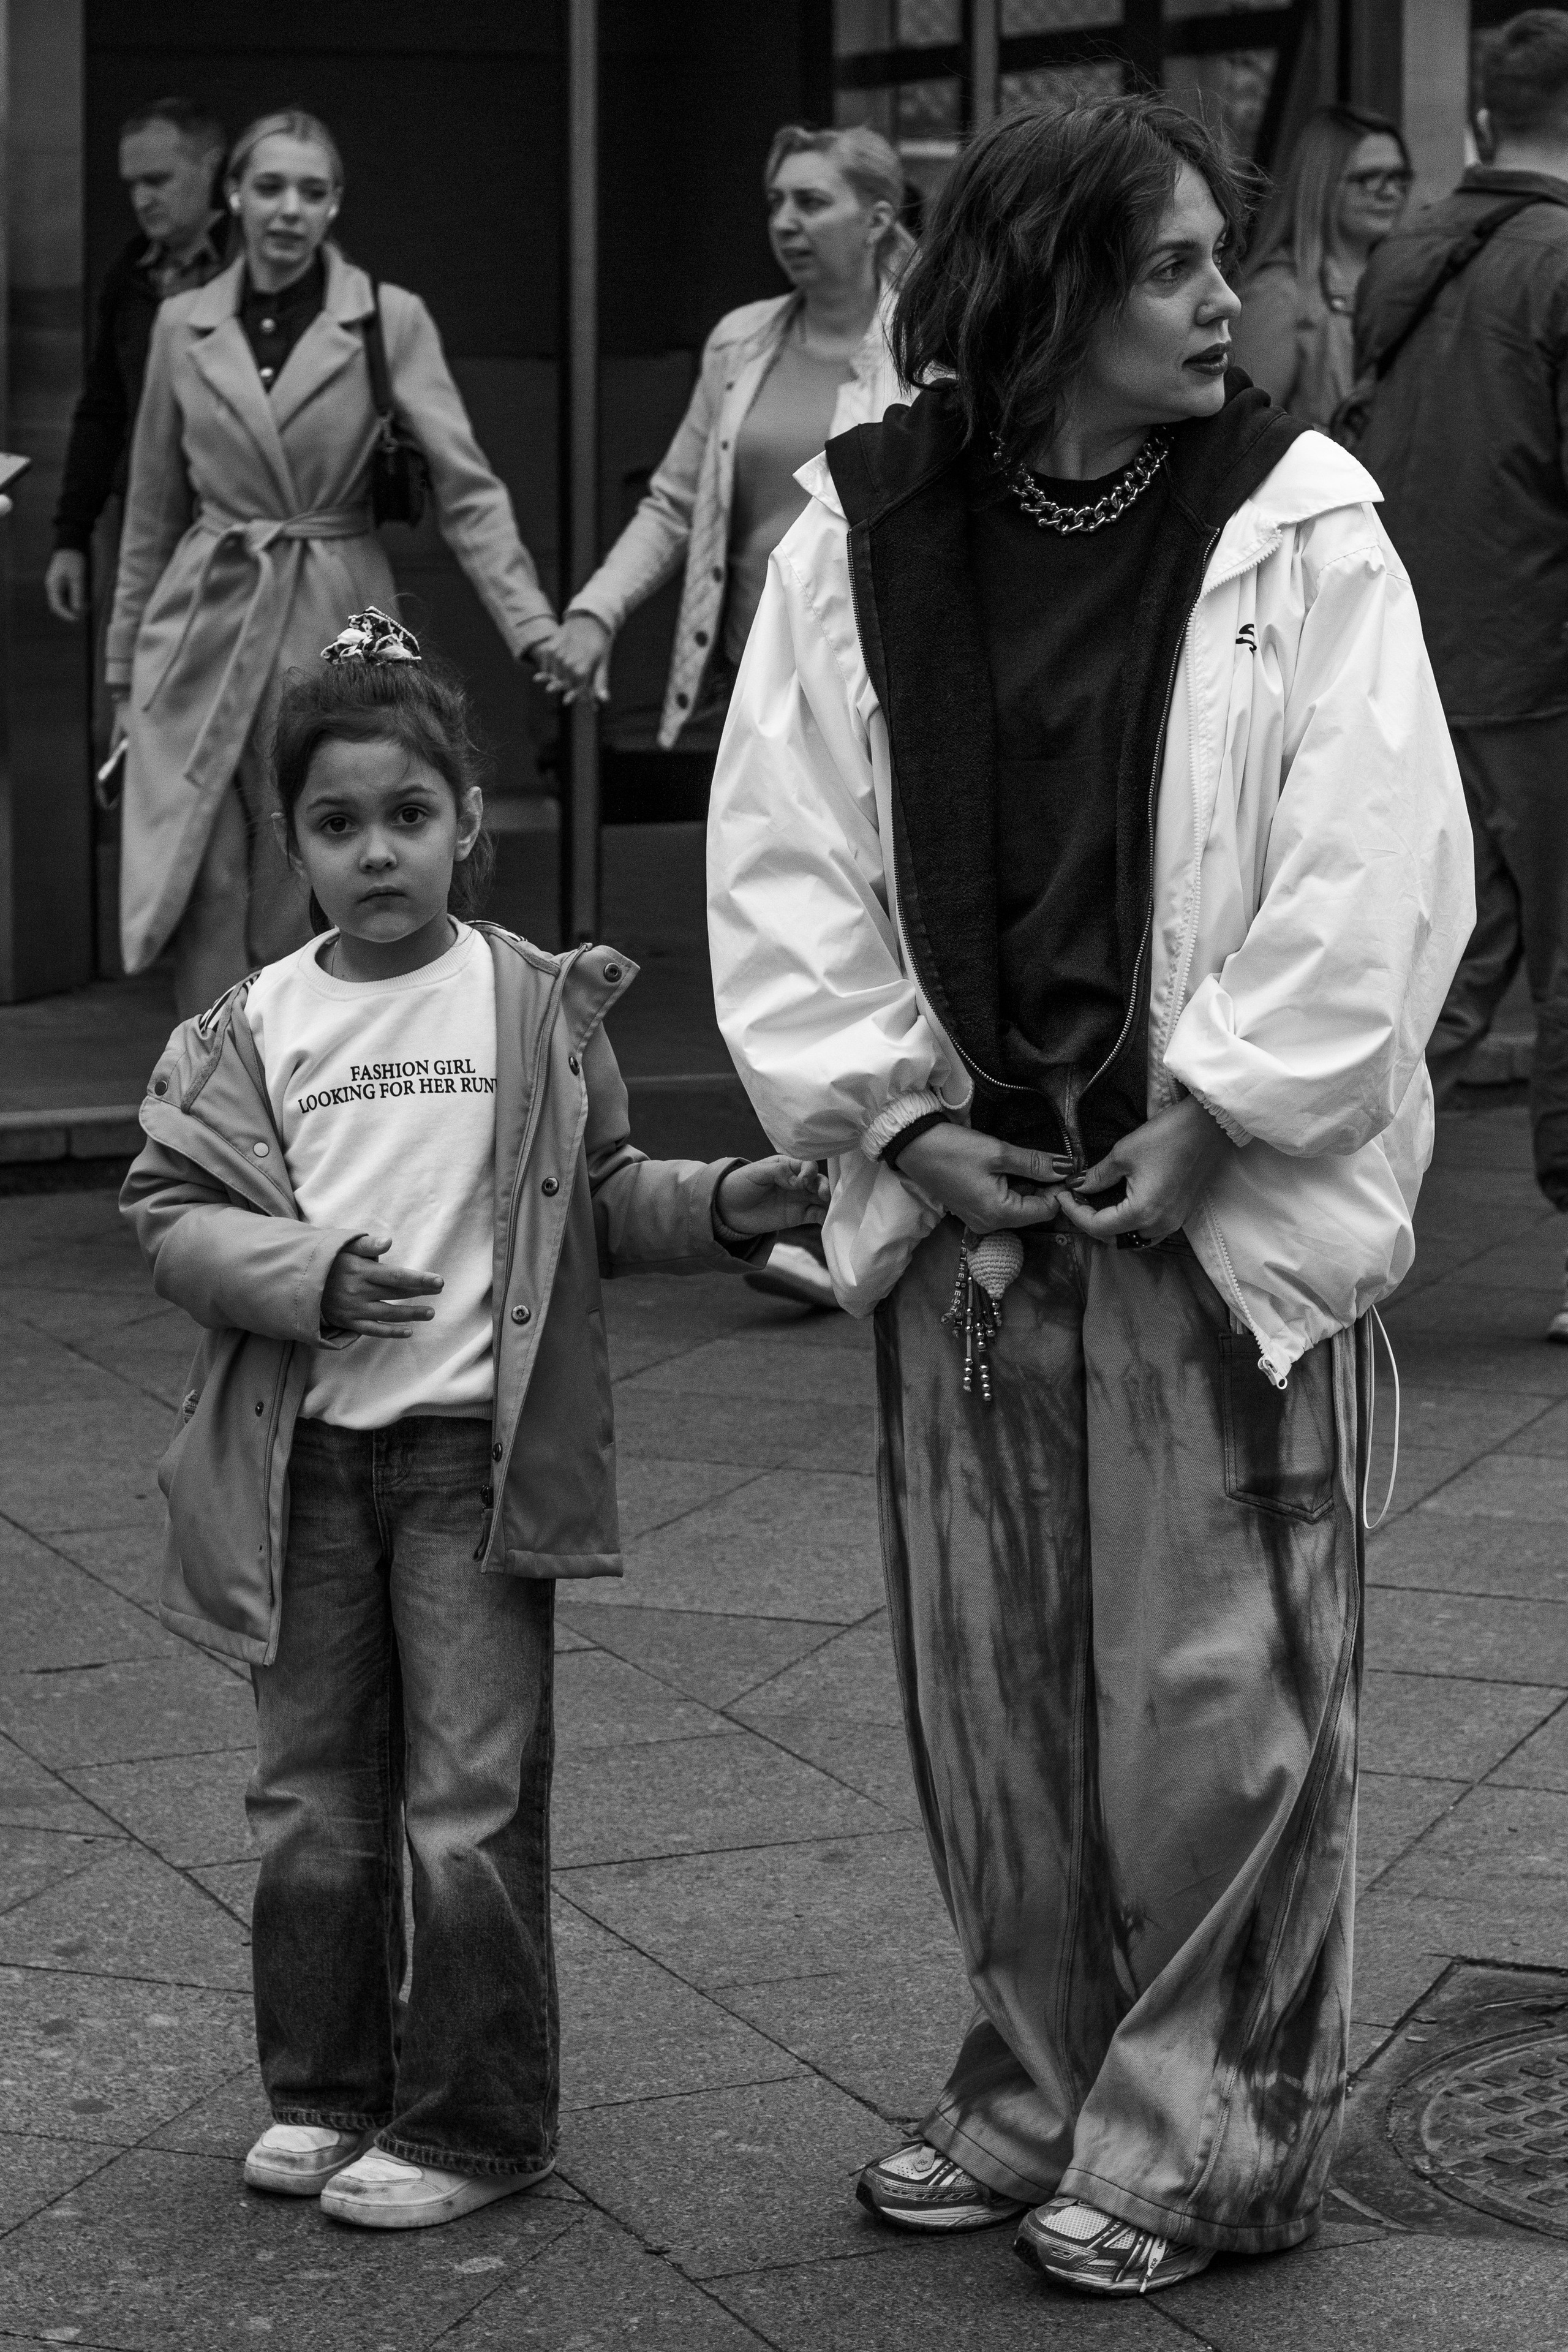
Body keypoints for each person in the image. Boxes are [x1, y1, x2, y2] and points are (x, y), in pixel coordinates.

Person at [709, 96, 1471, 2296]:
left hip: (1206, 1210)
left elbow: (1371, 849)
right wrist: (885, 1117)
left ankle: (1205, 2128)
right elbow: (783, 856)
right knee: (998, 1695)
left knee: (1225, 1697)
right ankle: (1038, 2083)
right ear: (1041, 292)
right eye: (1168, 266)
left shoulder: (1292, 512)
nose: (1224, 299)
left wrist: (1224, 1108)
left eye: (1215, 257)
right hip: (979, 1197)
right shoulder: (864, 526)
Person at [119, 615, 826, 2231]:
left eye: (410, 818)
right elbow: (167, 1215)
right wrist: (299, 1275)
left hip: (468, 1463)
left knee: (469, 1792)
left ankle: (473, 2122)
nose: (379, 853)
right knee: (310, 1789)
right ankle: (325, 2090)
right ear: (289, 840)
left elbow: (609, 1202)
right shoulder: (249, 1028)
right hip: (301, 1462)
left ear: (469, 820)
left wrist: (730, 1204)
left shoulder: (531, 1005)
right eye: (338, 825)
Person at [537, 123, 911, 1311]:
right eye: (774, 204)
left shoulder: (929, 340)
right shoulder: (741, 343)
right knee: (797, 937)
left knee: (891, 934)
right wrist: (595, 616)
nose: (787, 224)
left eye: (811, 202)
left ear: (879, 218)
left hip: (891, 680)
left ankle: (888, 1186)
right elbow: (673, 498)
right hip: (766, 681)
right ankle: (808, 1197)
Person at [106, 108, 557, 1021]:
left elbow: (467, 488)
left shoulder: (386, 319)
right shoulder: (178, 326)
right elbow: (150, 513)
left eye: (313, 191)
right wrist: (122, 674)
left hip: (334, 609)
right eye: (270, 187)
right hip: (202, 617)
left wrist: (532, 622)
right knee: (202, 877)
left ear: (336, 204)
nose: (289, 209)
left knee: (301, 878)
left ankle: (307, 1107)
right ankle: (210, 1120)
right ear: (235, 193)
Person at [1355, 9, 1568, 1341]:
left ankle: (1293, 1208)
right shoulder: (1556, 260)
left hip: (1425, 659)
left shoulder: (1409, 251)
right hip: (1542, 664)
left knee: (1439, 965)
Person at [45, 98, 232, 630]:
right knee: (137, 673)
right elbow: (102, 410)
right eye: (133, 185)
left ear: (210, 165)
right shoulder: (131, 276)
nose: (144, 199)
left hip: (234, 510)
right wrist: (71, 536)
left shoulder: (253, 267)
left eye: (158, 179)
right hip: (144, 514)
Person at [1232, 104, 1411, 428]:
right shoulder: (1279, 293)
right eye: (1369, 178)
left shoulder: (1402, 280)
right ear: (1323, 183)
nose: (1390, 192)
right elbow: (1247, 436)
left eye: (1398, 177)